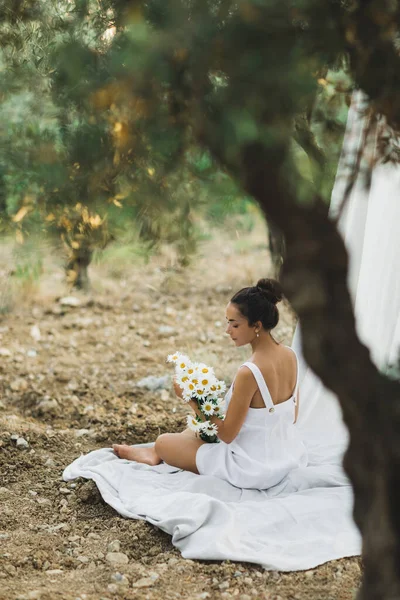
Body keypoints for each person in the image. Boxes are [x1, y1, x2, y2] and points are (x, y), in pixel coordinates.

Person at [113, 278, 308, 489]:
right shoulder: (291, 356)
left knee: (163, 442)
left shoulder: (249, 372)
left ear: (257, 326)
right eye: (227, 322)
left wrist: (190, 396)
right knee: (193, 429)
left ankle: (155, 452)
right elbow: (293, 416)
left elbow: (226, 434)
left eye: (235, 324)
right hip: (286, 456)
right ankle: (151, 452)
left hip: (251, 468)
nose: (228, 330)